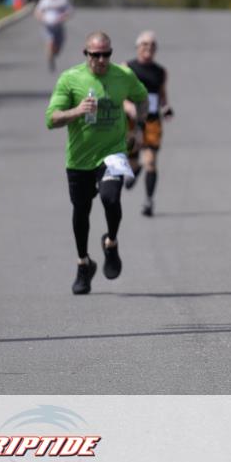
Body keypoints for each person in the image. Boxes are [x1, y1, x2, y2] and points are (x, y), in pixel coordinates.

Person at [46, 31, 149, 295]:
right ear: (86, 54)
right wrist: (77, 110)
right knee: (81, 211)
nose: (102, 60)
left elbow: (142, 97)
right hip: (80, 158)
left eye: (106, 54)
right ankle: (83, 264)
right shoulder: (70, 79)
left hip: (113, 151)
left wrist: (138, 127)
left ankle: (111, 243)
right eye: (96, 55)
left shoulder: (123, 76)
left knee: (111, 198)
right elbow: (51, 118)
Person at [123, 30, 174, 217]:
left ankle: (149, 201)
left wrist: (166, 107)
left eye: (152, 45)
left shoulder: (161, 72)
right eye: (145, 44)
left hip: (152, 119)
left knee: (150, 161)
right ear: (138, 47)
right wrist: (127, 105)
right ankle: (135, 170)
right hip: (131, 120)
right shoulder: (127, 68)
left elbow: (162, 94)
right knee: (133, 161)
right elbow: (118, 93)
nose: (148, 48)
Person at [34, 0, 74, 73]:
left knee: (57, 49)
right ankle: (50, 59)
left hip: (58, 26)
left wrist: (63, 17)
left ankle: (53, 55)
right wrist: (42, 18)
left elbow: (70, 11)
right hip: (47, 27)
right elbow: (37, 12)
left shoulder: (63, 0)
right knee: (50, 43)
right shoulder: (44, 0)